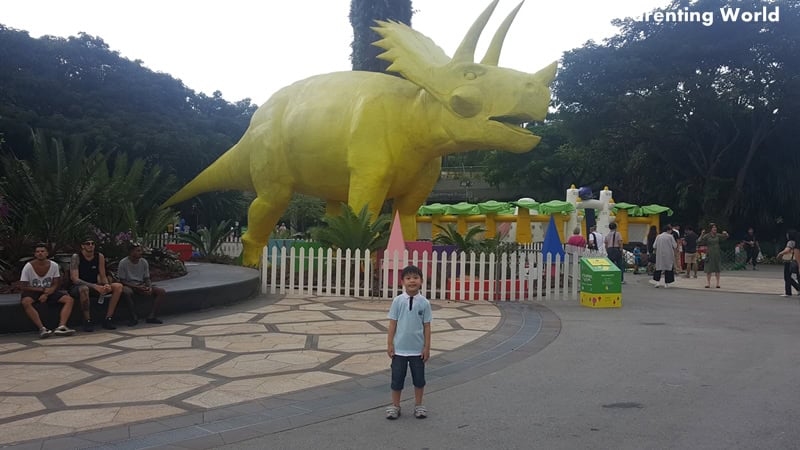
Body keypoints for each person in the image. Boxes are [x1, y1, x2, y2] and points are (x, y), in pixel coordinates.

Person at [386, 265, 432, 420]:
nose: (412, 281)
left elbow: (427, 326)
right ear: (402, 282)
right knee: (397, 378)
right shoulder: (398, 301)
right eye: (408, 278)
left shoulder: (424, 303)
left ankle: (419, 405)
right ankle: (395, 406)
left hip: (417, 350)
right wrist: (390, 344)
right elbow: (393, 323)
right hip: (399, 349)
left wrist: (426, 347)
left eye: (415, 277)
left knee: (419, 379)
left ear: (421, 281)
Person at [19, 243, 76, 338]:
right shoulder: (28, 266)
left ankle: (61, 327)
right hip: (33, 291)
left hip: (49, 291)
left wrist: (46, 293)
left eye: (42, 251)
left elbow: (56, 283)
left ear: (47, 253)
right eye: (37, 252)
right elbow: (23, 286)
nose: (40, 253)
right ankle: (42, 328)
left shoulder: (54, 265)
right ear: (35, 254)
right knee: (26, 302)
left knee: (69, 300)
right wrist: (41, 290)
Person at [70, 237, 123, 331]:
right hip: (80, 286)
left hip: (96, 285)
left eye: (92, 243)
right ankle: (87, 320)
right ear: (82, 246)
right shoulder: (76, 257)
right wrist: (95, 286)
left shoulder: (99, 256)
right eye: (88, 243)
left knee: (118, 286)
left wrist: (106, 284)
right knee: (84, 289)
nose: (90, 245)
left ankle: (108, 318)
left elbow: (102, 275)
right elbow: (75, 279)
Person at [117, 242, 167, 325]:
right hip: (128, 285)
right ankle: (133, 317)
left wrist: (149, 287)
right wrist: (136, 287)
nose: (140, 253)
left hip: (141, 284)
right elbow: (122, 280)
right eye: (138, 251)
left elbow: (146, 278)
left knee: (161, 291)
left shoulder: (143, 262)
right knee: (127, 292)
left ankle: (152, 316)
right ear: (131, 252)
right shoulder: (123, 263)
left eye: (140, 251)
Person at [697, 223, 729, 289]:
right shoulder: (707, 236)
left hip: (717, 253)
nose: (715, 228)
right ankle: (708, 283)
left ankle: (718, 283)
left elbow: (726, 237)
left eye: (715, 227)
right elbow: (699, 241)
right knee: (709, 269)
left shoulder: (717, 235)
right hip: (709, 253)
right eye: (713, 227)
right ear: (710, 229)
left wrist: (726, 233)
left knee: (717, 269)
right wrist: (702, 234)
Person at [776, 230, 800, 297]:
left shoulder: (791, 242)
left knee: (787, 277)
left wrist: (780, 254)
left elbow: (787, 250)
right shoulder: (797, 242)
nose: (786, 236)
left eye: (787, 234)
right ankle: (798, 288)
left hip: (789, 261)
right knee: (797, 276)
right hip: (796, 261)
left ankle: (788, 292)